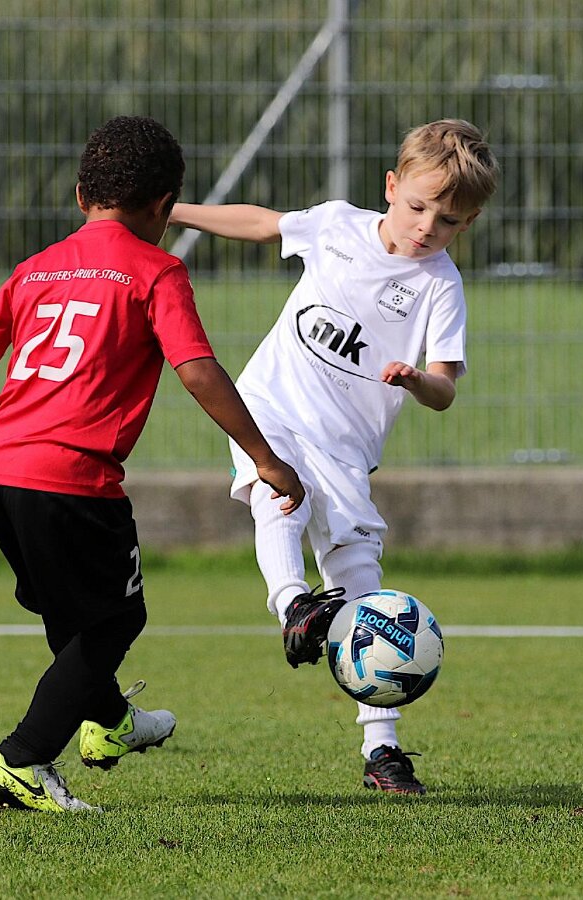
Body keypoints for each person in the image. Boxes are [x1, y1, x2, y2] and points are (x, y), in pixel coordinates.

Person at [0, 116, 304, 813]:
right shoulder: (156, 270)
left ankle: (112, 722)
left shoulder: (37, 268)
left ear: (79, 195)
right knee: (115, 622)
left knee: (73, 617)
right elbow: (197, 369)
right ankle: (20, 761)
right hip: (74, 479)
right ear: (164, 207)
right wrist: (265, 458)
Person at [168, 118, 499, 795]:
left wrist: (417, 380)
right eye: (418, 207)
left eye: (447, 221)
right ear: (391, 186)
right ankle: (295, 605)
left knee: (363, 586)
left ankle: (382, 750)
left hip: (346, 450)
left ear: (467, 224)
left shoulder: (440, 286)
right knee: (279, 497)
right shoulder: (337, 225)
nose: (427, 227)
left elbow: (444, 389)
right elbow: (261, 223)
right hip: (270, 406)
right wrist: (171, 210)